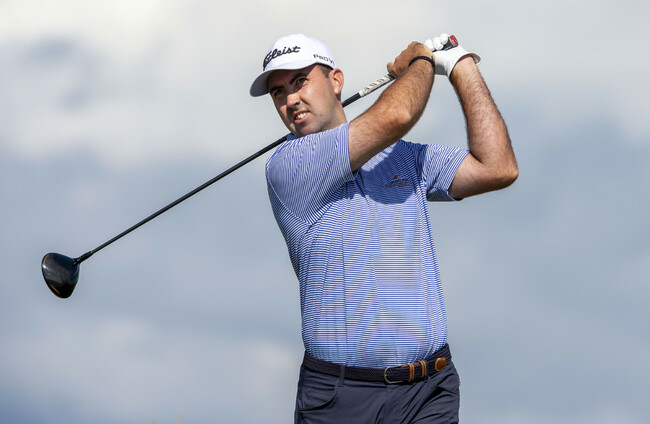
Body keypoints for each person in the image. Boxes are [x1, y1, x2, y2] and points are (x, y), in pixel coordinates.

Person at [250, 33, 518, 423]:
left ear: (336, 81)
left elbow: (498, 167)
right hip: (341, 399)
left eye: (300, 82)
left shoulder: (402, 156)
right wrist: (421, 61)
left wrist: (460, 65)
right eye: (279, 92)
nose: (291, 100)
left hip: (429, 392)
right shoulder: (290, 166)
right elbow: (397, 115)